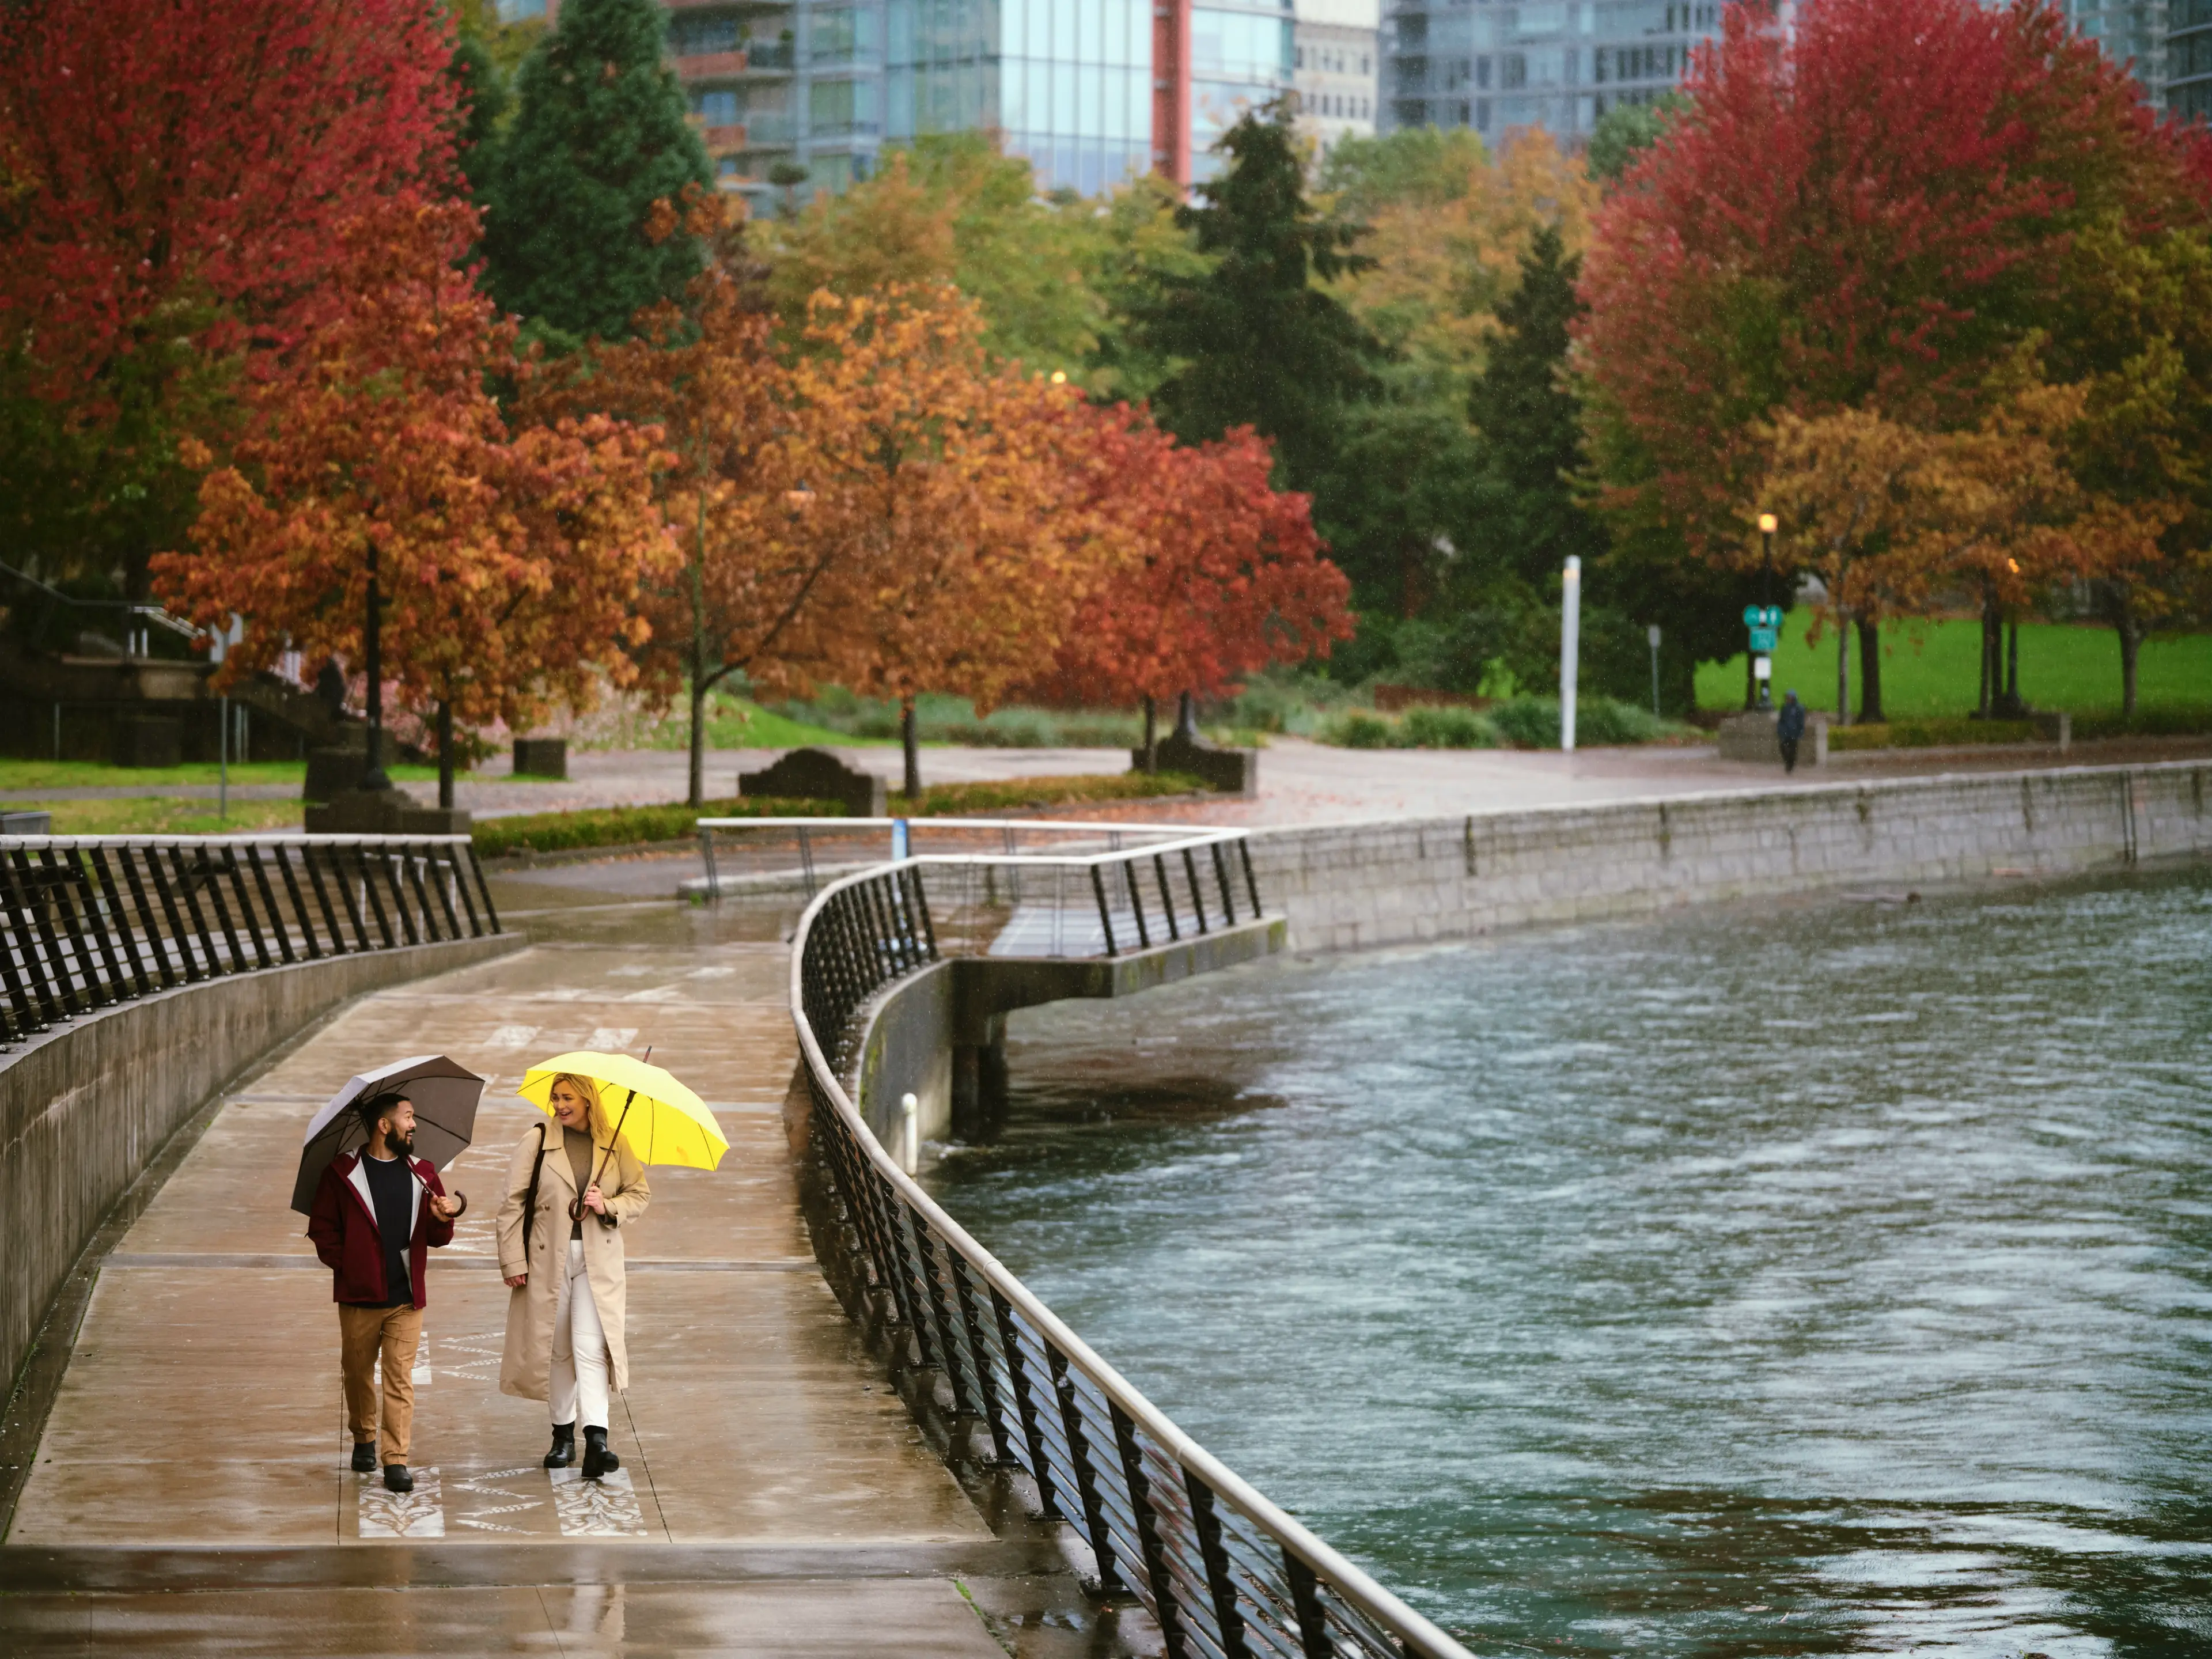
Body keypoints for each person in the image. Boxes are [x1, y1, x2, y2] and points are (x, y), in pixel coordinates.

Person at [306, 1092, 464, 1493]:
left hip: (406, 1297)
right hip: (360, 1296)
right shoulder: (343, 1173)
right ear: (384, 1125)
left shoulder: (422, 1172)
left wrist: (443, 1218)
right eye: (408, 1117)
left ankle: (396, 1459)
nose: (414, 1125)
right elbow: (323, 1229)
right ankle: (363, 1436)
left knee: (400, 1377)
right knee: (357, 1373)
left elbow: (439, 1237)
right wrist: (349, 1264)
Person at [496, 1074, 650, 1479]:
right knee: (558, 1348)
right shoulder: (537, 1141)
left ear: (587, 1101)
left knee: (590, 1346)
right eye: (555, 1097)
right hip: (548, 1260)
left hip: (598, 1260)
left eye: (568, 1098)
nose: (560, 1105)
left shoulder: (615, 1143)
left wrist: (609, 1204)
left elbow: (640, 1193)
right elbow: (512, 1204)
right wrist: (513, 1261)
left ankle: (597, 1439)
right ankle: (562, 1437)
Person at [1776, 688, 1808, 774]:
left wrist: (1800, 732)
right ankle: (1788, 762)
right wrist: (1780, 729)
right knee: (1783, 747)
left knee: (1793, 750)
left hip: (1794, 733)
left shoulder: (1799, 708)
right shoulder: (1785, 707)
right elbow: (1782, 719)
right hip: (1786, 732)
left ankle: (1790, 765)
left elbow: (1800, 721)